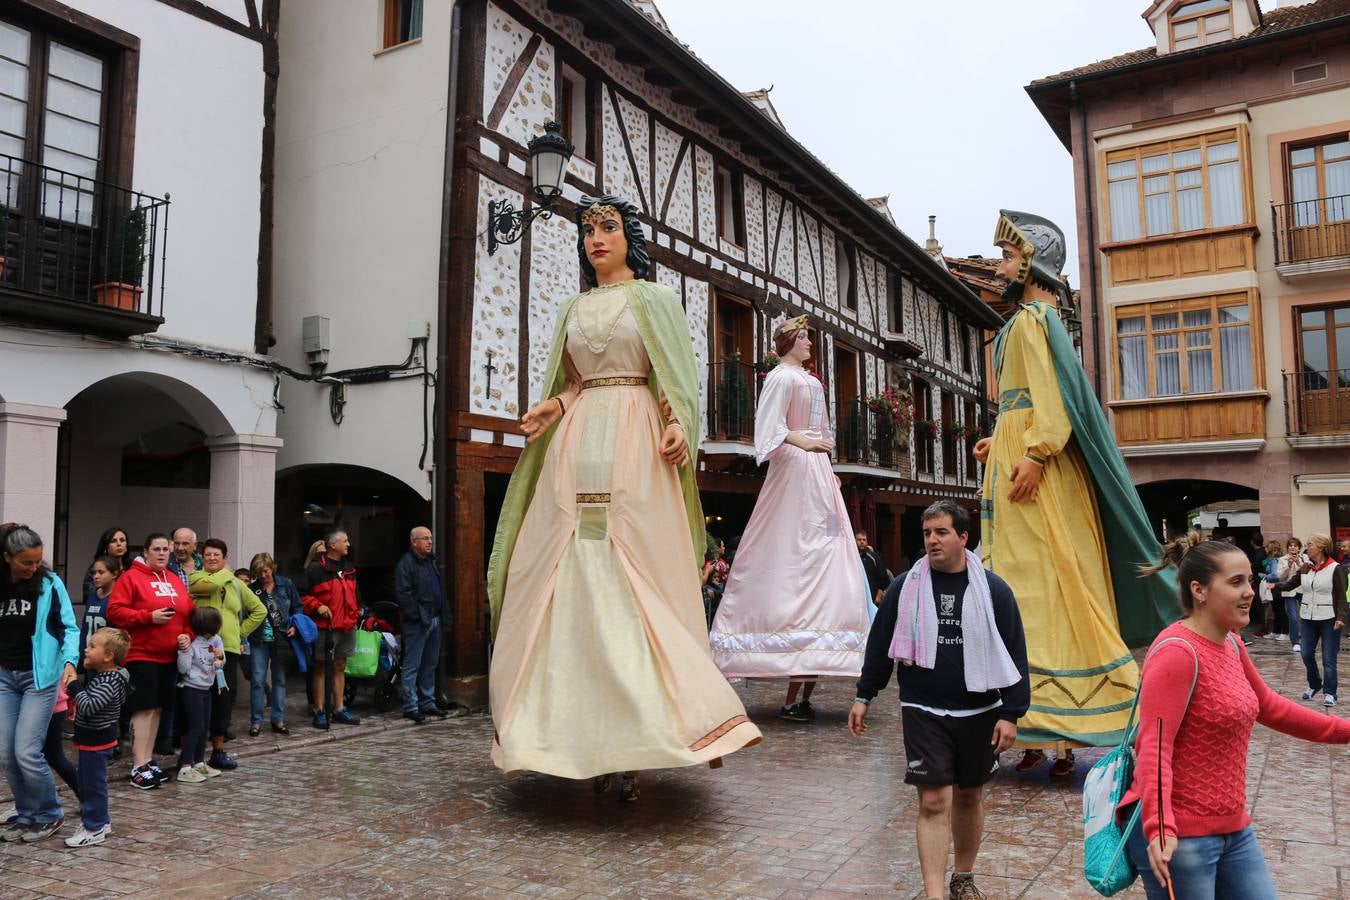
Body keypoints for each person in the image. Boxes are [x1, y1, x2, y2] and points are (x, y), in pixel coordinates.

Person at [486, 194, 761, 802]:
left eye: (607, 227)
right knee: (560, 577)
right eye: (587, 230)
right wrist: (551, 406)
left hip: (636, 439)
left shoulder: (657, 300)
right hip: (575, 443)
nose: (595, 239)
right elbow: (573, 381)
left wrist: (678, 424)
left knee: (634, 574)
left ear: (627, 237)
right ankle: (561, 733)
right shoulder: (571, 308)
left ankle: (648, 733)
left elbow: (674, 379)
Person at [971, 210, 1174, 777]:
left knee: (1048, 586)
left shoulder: (1036, 318)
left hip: (1039, 469)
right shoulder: (1024, 321)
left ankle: (1071, 724)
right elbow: (1027, 400)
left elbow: (1051, 403)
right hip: (1020, 454)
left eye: (1010, 257)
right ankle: (1032, 727)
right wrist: (1003, 439)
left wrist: (1035, 451)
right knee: (1022, 585)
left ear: (1033, 263)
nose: (1001, 266)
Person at [1122, 534, 1350, 898]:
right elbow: (1154, 747)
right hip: (1183, 838)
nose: (1249, 591)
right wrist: (1159, 827)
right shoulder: (1176, 653)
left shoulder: (1229, 642)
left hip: (1233, 827)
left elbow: (1271, 707)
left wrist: (1345, 731)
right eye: (1236, 582)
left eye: (1249, 580)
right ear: (1199, 590)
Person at [849, 501, 1028, 900]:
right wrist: (865, 693)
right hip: (923, 708)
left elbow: (1014, 650)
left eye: (942, 532)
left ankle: (963, 877)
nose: (932, 540)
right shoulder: (904, 587)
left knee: (968, 795)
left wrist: (1012, 712)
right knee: (933, 800)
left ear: (964, 538)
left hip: (980, 710)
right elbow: (880, 644)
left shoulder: (993, 590)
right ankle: (934, 893)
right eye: (927, 532)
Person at [709, 315, 871, 722]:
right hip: (797, 466)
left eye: (809, 338)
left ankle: (805, 678)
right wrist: (806, 444)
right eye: (803, 337)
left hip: (815, 469)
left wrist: (823, 458)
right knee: (795, 544)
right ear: (787, 342)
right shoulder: (781, 377)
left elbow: (818, 430)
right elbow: (771, 429)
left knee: (827, 550)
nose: (809, 343)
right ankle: (773, 653)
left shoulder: (810, 380)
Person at [0, 525, 79, 844]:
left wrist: (70, 661)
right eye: (26, 562)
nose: (33, 567)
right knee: (6, 753)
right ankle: (27, 813)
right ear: (7, 557)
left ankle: (49, 814)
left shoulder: (49, 583)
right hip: (5, 675)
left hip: (40, 678)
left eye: (37, 561)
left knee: (27, 750)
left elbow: (69, 628)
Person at [106, 532, 193, 790]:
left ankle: (147, 759)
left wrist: (187, 636)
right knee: (143, 708)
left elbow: (188, 613)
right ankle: (138, 765)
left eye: (166, 549)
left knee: (157, 708)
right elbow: (115, 612)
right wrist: (148, 617)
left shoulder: (175, 580)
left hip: (169, 655)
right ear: (145, 551)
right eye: (157, 549)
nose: (163, 553)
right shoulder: (131, 578)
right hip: (141, 653)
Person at [188, 538, 265, 769]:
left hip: (227, 650)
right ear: (203, 558)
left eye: (217, 555)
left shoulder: (236, 584)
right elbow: (209, 586)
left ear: (225, 558)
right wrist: (227, 573)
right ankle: (193, 753)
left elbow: (259, 610)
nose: (212, 559)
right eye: (208, 555)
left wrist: (240, 633)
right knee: (198, 700)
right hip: (198, 649)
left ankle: (218, 750)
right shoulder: (196, 578)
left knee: (223, 700)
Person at [64, 627, 130, 847]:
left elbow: (90, 706)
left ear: (108, 656)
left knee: (93, 785)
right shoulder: (105, 677)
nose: (86, 649)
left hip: (97, 741)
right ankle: (102, 820)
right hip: (92, 739)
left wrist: (74, 686)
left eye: (92, 646)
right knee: (87, 782)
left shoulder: (109, 681)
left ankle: (94, 827)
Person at [1275, 532, 1347, 707]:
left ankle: (1330, 693)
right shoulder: (1306, 567)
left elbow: (1341, 596)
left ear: (1322, 547)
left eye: (1310, 544)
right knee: (1306, 653)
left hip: (1329, 618)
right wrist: (1274, 585)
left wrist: (1341, 617)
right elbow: (1291, 583)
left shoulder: (1335, 568)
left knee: (1329, 659)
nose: (1307, 547)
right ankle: (1315, 684)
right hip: (1307, 617)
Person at [301, 530, 362, 729]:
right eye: (345, 541)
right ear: (333, 545)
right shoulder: (315, 569)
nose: (349, 544)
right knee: (320, 667)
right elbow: (302, 595)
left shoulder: (349, 568)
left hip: (346, 625)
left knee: (340, 666)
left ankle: (339, 708)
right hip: (324, 627)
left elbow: (355, 595)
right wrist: (317, 606)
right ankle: (319, 710)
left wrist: (357, 613)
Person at [395, 526, 453, 724]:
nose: (429, 542)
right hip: (419, 622)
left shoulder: (431, 561)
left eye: (430, 538)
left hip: (435, 619)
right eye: (425, 538)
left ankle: (427, 702)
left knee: (430, 663)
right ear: (414, 542)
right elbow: (404, 595)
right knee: (413, 664)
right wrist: (418, 616)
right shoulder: (406, 564)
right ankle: (411, 705)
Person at [247, 553, 301, 736]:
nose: (263, 576)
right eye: (259, 573)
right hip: (258, 639)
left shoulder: (286, 584)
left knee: (280, 680)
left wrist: (295, 626)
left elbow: (297, 607)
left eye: (266, 571)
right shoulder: (252, 589)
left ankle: (278, 719)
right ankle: (256, 722)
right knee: (257, 681)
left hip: (282, 638)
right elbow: (246, 614)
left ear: (272, 568)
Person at [175, 606, 225, 784]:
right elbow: (183, 668)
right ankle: (185, 766)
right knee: (195, 727)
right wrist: (184, 652)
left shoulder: (216, 639)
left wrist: (221, 656)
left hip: (206, 689)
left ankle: (198, 762)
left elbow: (221, 661)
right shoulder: (192, 643)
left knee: (204, 728)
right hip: (191, 689)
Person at [79, 556, 119, 667]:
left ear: (114, 574)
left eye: (101, 572)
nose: (96, 576)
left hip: (107, 660)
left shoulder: (118, 598)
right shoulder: (92, 596)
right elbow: (85, 628)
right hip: (90, 656)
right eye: (94, 573)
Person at [80, 528, 129, 599]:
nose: (119, 544)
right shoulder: (95, 569)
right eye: (113, 541)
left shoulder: (133, 567)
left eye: (122, 540)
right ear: (106, 547)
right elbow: (88, 596)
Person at [857, 530, 892, 608]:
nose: (862, 542)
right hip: (856, 599)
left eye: (864, 540)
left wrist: (878, 597)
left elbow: (884, 578)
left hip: (872, 601)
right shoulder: (851, 557)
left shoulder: (873, 557)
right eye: (859, 540)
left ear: (867, 542)